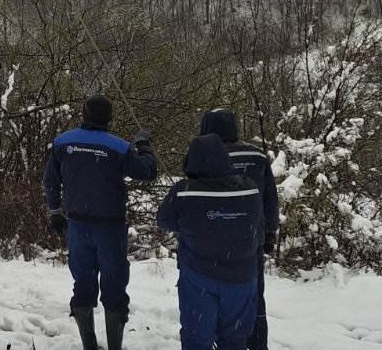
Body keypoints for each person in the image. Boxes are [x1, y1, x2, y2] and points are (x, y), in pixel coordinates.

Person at [43, 94, 156, 350]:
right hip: (110, 227)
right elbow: (148, 172)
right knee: (114, 284)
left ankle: (89, 345)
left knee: (82, 282)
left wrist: (54, 211)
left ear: (84, 114)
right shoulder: (119, 147)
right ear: (110, 117)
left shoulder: (63, 142)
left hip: (78, 225)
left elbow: (51, 181)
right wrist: (144, 144)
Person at [158, 134, 263, 350]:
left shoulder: (184, 191)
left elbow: (165, 220)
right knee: (234, 341)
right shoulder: (250, 189)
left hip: (200, 279)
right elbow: (257, 226)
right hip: (242, 280)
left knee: (197, 340)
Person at [198, 108, 279, 349]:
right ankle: (256, 344)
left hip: (212, 241)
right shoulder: (257, 156)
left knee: (214, 296)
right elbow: (270, 199)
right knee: (254, 297)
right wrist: (270, 233)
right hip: (250, 240)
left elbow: (195, 197)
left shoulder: (203, 155)